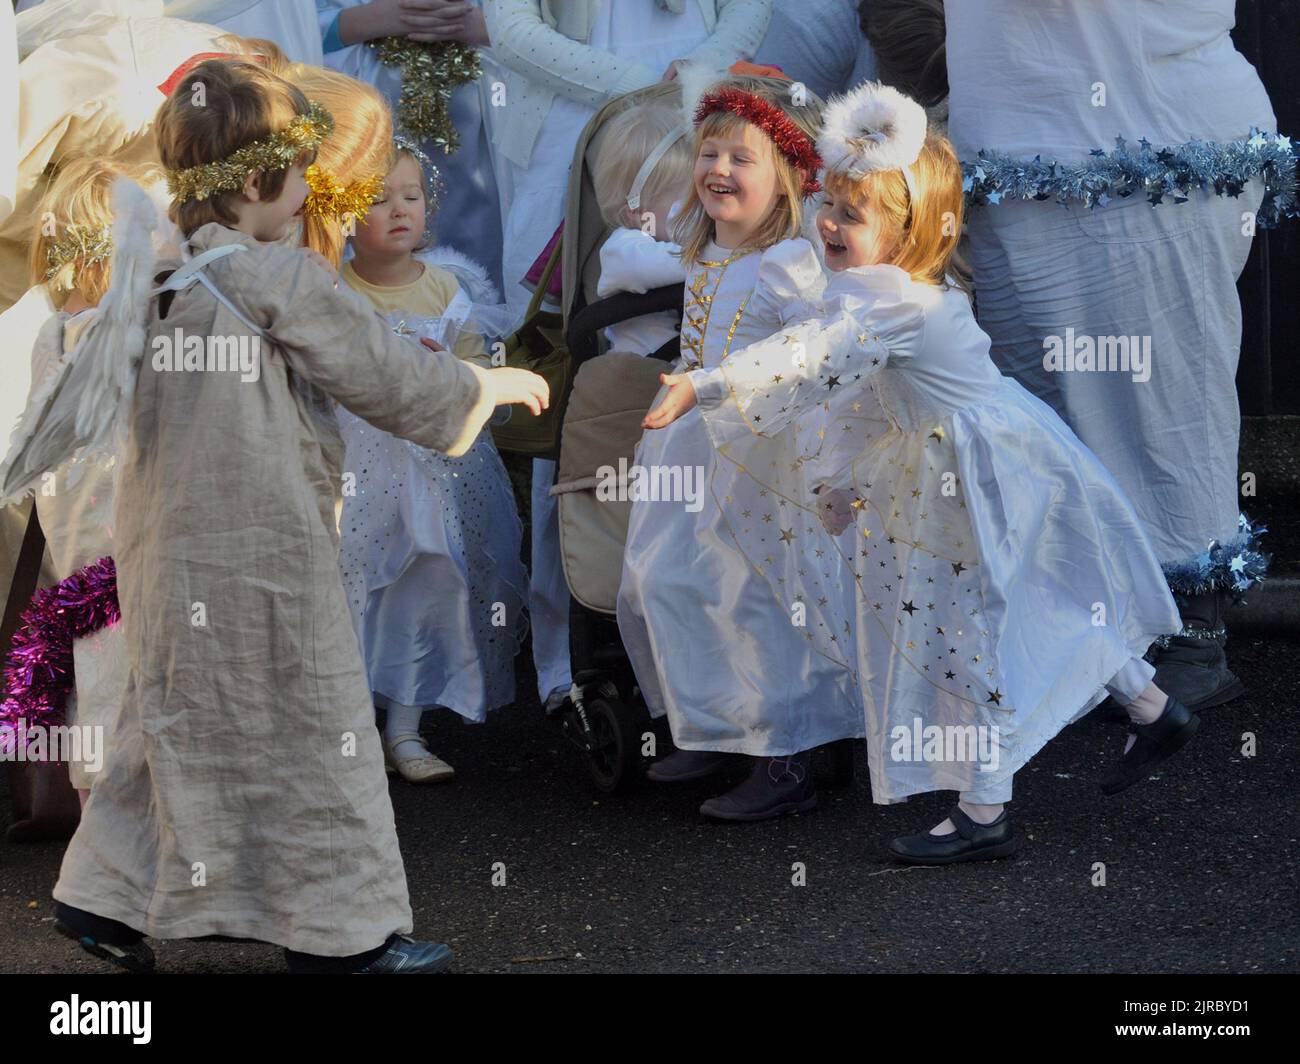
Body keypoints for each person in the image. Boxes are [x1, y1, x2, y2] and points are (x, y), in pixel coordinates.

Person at [0, 58, 547, 972]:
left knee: (168, 713)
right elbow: (381, 369)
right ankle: (342, 934)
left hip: (164, 547)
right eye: (300, 171)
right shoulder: (276, 279)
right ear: (260, 183)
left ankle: (102, 897)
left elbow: (74, 398)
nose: (308, 192)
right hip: (266, 545)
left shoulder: (153, 280)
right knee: (312, 715)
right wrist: (477, 387)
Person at [644, 81, 1201, 862]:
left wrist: (704, 383)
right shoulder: (870, 293)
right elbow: (860, 405)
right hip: (955, 461)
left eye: (854, 215)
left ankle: (984, 811)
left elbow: (806, 362)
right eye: (827, 206)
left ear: (910, 232)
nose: (829, 225)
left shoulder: (893, 307)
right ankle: (1152, 707)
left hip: (970, 476)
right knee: (1017, 608)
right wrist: (842, 485)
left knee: (961, 635)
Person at [944, 1, 1277, 710]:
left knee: (1161, 393)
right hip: (1017, 149)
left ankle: (1191, 628)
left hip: (1145, 143)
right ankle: (1091, 633)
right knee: (1036, 403)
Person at [484, 0, 769, 714]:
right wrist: (640, 82)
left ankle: (734, 638)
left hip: (697, 107)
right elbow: (511, 26)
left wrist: (698, 76)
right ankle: (565, 643)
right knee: (579, 374)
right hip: (581, 125)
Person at [618, 75, 862, 821]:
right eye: (709, 152)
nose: (718, 169)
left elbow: (819, 347)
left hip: (761, 457)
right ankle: (716, 722)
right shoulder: (703, 248)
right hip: (686, 447)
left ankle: (784, 752)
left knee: (756, 599)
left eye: (742, 158)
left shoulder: (788, 260)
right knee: (666, 583)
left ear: (789, 177)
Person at [339, 139, 527, 783]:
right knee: (356, 587)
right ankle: (346, 726)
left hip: (437, 469)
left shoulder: (448, 285)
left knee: (432, 580)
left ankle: (407, 729)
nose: (398, 210)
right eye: (377, 198)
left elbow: (479, 369)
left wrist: (461, 373)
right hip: (355, 470)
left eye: (411, 197)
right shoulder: (331, 288)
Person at [316, 0, 504, 292]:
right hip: (371, 98)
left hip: (480, 105)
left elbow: (552, 29)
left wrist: (482, 25)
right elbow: (293, 26)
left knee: (479, 215)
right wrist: (386, 17)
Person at [590, 101, 690, 356]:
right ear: (636, 213)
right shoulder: (623, 248)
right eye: (687, 205)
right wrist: (718, 258)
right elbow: (643, 266)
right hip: (633, 377)